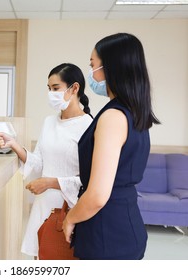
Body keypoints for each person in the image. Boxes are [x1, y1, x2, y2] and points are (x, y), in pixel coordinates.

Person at [63, 33, 161, 260]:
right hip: (125, 224)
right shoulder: (134, 112)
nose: (92, 74)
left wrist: (71, 218)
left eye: (93, 65)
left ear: (111, 68)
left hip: (107, 232)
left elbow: (97, 195)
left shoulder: (113, 117)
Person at [0, 63, 93, 258]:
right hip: (43, 204)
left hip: (69, 210)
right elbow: (39, 162)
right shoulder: (49, 122)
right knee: (42, 255)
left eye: (56, 89)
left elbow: (90, 180)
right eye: (49, 89)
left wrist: (50, 183)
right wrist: (13, 144)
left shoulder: (88, 126)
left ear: (75, 88)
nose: (50, 94)